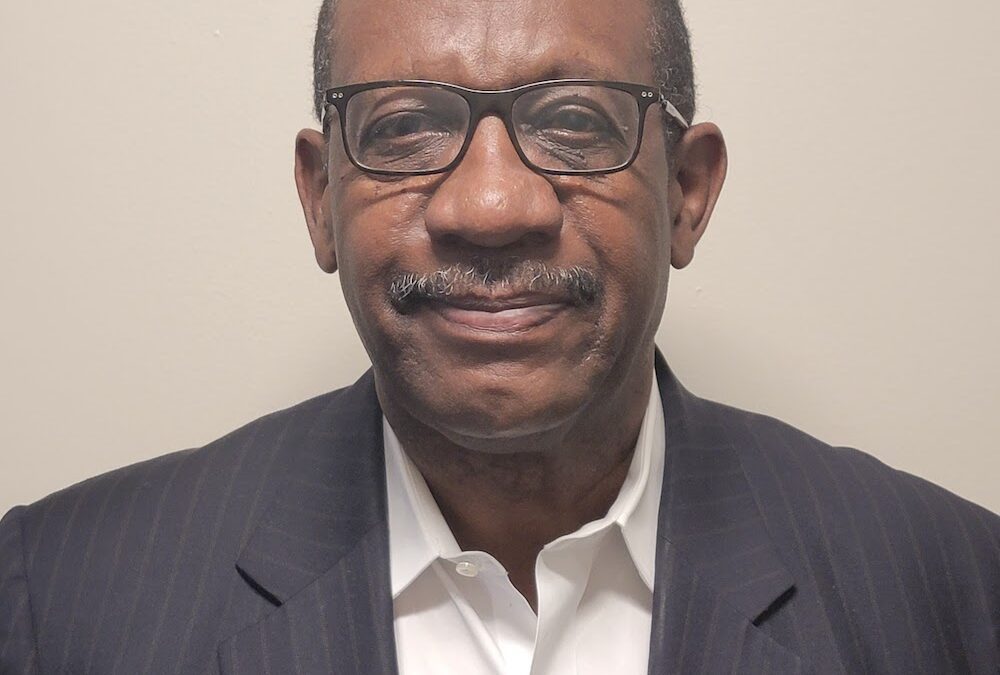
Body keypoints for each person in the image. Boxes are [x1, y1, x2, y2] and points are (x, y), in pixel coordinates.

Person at [1, 0, 997, 672]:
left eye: (575, 123)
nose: (489, 207)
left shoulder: (957, 594)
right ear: (319, 200)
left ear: (686, 193)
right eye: (404, 128)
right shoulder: (58, 598)